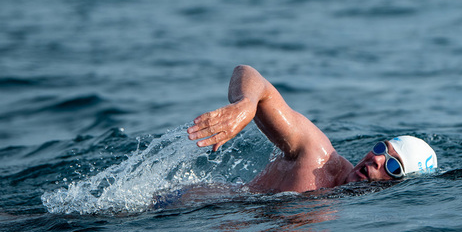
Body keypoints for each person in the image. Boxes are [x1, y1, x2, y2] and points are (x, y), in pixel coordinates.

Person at [187, 65, 437, 193]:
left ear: (399, 187)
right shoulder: (317, 156)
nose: (377, 159)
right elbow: (250, 75)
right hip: (174, 210)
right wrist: (246, 104)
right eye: (382, 148)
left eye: (393, 166)